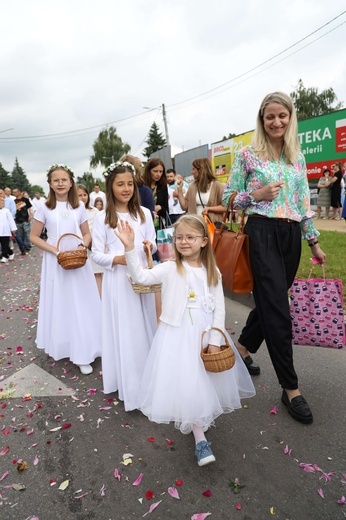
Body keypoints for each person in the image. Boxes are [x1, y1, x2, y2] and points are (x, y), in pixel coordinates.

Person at [115, 214, 255, 466]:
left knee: (203, 379)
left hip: (202, 334)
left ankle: (198, 420)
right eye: (179, 237)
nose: (183, 242)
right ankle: (200, 439)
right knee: (189, 380)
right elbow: (141, 278)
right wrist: (129, 247)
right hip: (176, 335)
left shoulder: (212, 272)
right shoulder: (170, 268)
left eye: (190, 237)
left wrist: (214, 337)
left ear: (203, 241)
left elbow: (219, 310)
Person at [222, 91, 326, 424]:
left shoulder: (298, 157)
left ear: (290, 118)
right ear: (262, 120)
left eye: (282, 116)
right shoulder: (247, 154)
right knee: (278, 310)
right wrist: (256, 194)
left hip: (291, 236)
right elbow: (228, 199)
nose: (276, 122)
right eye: (270, 117)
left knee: (272, 301)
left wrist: (313, 242)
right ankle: (290, 388)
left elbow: (303, 205)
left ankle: (240, 351)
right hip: (261, 231)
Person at [91, 161, 157, 411]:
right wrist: (117, 259)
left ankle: (150, 378)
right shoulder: (103, 218)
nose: (126, 188)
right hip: (119, 280)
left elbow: (149, 240)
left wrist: (148, 247)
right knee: (128, 331)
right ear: (111, 187)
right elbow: (96, 254)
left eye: (130, 183)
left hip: (141, 277)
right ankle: (132, 385)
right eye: (120, 184)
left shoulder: (143, 213)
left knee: (146, 325)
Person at [30, 164, 101, 375]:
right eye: (56, 180)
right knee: (62, 302)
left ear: (71, 182)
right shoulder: (44, 208)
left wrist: (82, 246)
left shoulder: (78, 207)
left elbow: (87, 234)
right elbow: (34, 236)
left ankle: (84, 350)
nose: (60, 183)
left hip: (77, 259)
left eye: (64, 180)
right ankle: (66, 345)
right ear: (50, 184)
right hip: (55, 259)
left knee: (81, 302)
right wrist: (54, 250)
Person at [176, 158, 225, 223]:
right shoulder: (193, 186)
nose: (192, 172)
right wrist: (179, 190)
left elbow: (225, 207)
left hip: (212, 225)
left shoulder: (217, 185)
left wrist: (209, 209)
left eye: (193, 169)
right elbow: (184, 206)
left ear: (201, 170)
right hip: (196, 225)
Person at [77, 184, 104, 297]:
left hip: (94, 245)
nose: (83, 197)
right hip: (80, 245)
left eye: (84, 195)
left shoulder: (94, 211)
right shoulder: (73, 211)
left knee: (97, 273)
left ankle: (100, 298)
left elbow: (100, 228)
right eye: (79, 195)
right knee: (83, 274)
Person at [143, 158, 169, 223]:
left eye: (161, 171)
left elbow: (166, 209)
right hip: (145, 221)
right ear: (148, 171)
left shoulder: (162, 186)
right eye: (155, 171)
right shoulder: (141, 186)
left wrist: (160, 207)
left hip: (159, 223)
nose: (158, 174)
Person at [13, 188, 32, 255]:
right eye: (13, 192)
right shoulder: (14, 201)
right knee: (20, 234)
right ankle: (23, 246)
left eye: (15, 192)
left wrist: (30, 216)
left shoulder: (25, 200)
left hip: (25, 218)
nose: (14, 194)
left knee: (27, 233)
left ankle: (27, 246)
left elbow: (29, 208)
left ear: (19, 192)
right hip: (18, 219)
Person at [0, 196, 17, 262]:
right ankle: (10, 252)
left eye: (2, 202)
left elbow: (11, 220)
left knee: (5, 244)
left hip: (5, 231)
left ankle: (4, 256)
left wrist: (13, 229)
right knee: (3, 245)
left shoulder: (6, 211)